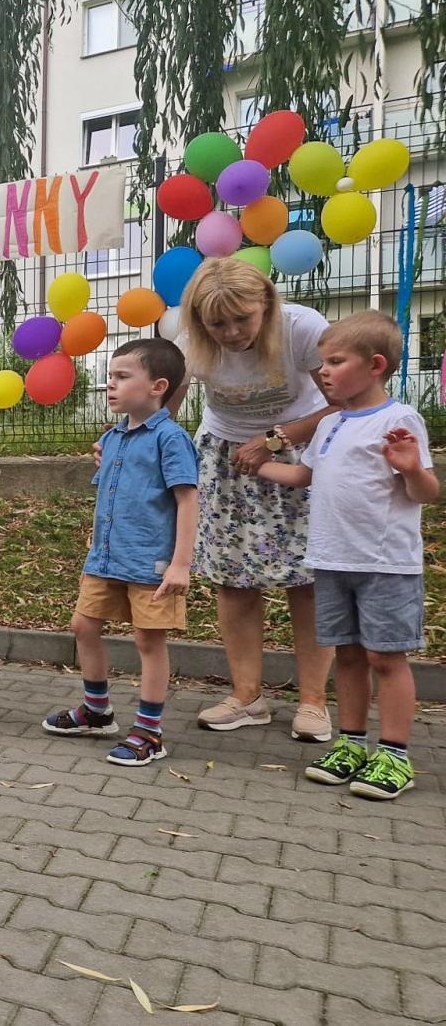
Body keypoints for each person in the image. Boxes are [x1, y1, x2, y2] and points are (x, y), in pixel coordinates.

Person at [258, 312, 438, 800]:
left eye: (335, 362)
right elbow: (306, 477)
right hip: (332, 560)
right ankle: (353, 744)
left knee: (385, 657)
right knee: (350, 656)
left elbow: (426, 492)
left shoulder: (398, 420)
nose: (324, 372)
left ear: (375, 364)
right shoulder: (331, 423)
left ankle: (395, 754)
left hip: (384, 564)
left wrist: (410, 468)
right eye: (321, 363)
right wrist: (259, 462)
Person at [178, 258, 336, 741]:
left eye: (241, 319)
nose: (230, 332)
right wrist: (125, 437)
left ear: (265, 304)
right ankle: (247, 697)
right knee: (234, 580)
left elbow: (347, 397)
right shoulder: (189, 342)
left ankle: (313, 701)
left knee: (307, 580)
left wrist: (276, 437)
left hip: (301, 454)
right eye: (217, 323)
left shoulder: (303, 328)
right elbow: (162, 401)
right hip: (226, 458)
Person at [44, 339, 199, 767]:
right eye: (109, 377)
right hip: (106, 558)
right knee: (83, 625)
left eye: (121, 377)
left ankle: (149, 732)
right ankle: (97, 710)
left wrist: (182, 563)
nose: (108, 385)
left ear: (158, 386)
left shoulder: (171, 439)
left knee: (148, 640)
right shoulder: (111, 438)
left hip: (152, 562)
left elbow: (188, 500)